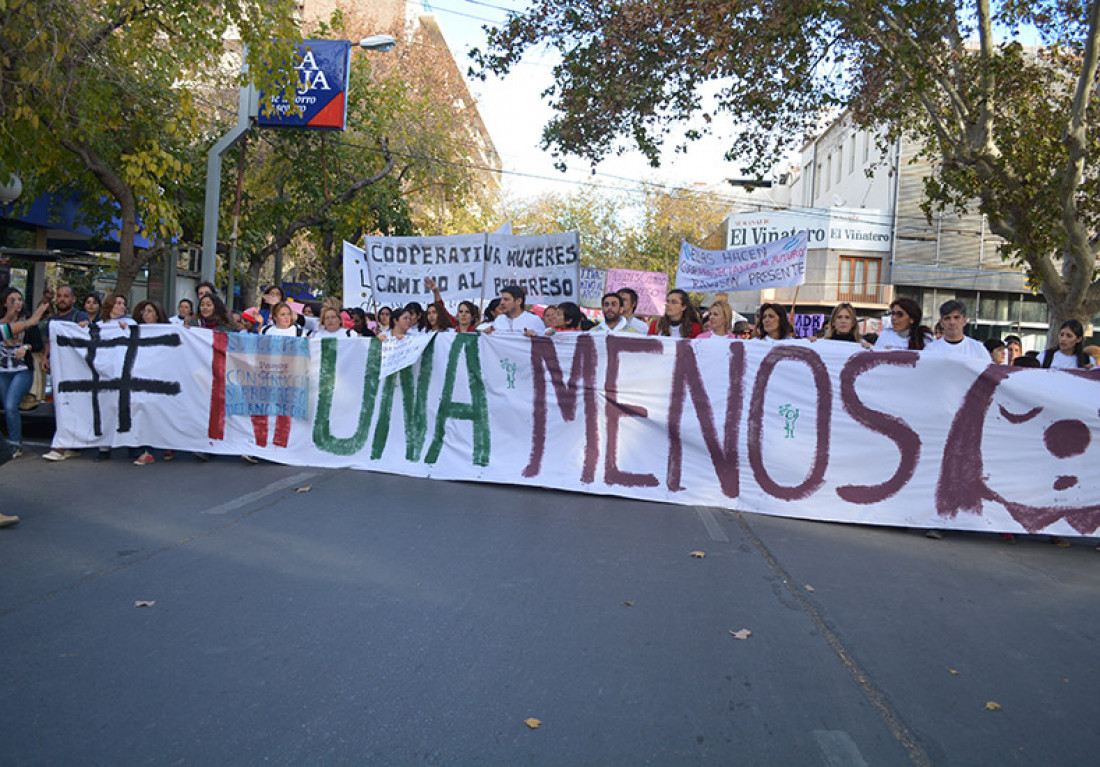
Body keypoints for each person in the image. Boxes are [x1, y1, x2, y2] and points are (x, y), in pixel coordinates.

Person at [0, 288, 45, 460]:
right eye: (12, 300)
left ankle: (15, 444)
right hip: (3, 371)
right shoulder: (3, 323)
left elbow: (38, 344)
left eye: (19, 299)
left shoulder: (28, 322)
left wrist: (25, 347)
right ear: (4, 302)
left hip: (21, 370)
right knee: (8, 407)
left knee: (11, 405)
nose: (17, 303)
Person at [923, 300, 988, 361]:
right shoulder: (930, 350)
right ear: (941, 322)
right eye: (947, 318)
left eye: (956, 317)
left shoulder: (978, 349)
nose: (952, 322)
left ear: (964, 321)